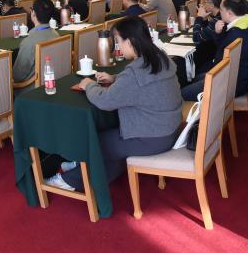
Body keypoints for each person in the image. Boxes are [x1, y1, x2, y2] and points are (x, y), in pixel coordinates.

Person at [48, 16, 181, 192]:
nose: (118, 46)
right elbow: (141, 82)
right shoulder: (160, 57)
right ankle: (84, 166)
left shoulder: (134, 73)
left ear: (130, 42)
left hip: (151, 138)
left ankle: (71, 180)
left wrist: (89, 85)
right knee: (107, 136)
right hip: (169, 129)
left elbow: (105, 101)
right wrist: (115, 78)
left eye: (118, 41)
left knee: (94, 142)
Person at [181, 0, 248, 100]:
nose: (219, 12)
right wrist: (218, 33)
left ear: (230, 13)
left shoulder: (236, 34)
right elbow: (223, 50)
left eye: (221, 10)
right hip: (238, 76)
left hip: (231, 84)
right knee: (195, 78)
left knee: (182, 94)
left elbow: (219, 60)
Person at [12, 0, 60, 84]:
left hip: (32, 87)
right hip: (52, 81)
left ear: (33, 13)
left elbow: (17, 76)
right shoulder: (56, 34)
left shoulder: (29, 42)